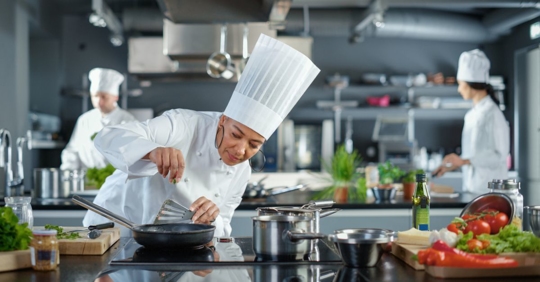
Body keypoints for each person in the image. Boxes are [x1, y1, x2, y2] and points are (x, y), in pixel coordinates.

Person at [82, 34, 320, 237]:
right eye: (236, 135)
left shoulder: (241, 170)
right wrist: (152, 151)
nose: (240, 150)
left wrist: (211, 220)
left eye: (254, 145)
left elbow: (223, 225)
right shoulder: (183, 124)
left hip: (167, 245)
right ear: (224, 120)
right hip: (114, 228)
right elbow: (108, 137)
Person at [432, 49, 509, 193]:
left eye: (461, 84)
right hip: (473, 189)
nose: (459, 89)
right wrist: (454, 165)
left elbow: (499, 155)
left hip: (491, 192)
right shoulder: (471, 115)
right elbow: (475, 155)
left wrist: (464, 161)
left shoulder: (493, 114)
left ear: (473, 85)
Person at [60, 68, 137, 170]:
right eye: (95, 96)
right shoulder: (84, 120)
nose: (99, 102)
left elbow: (133, 155)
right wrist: (68, 175)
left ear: (115, 97)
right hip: (87, 181)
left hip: (116, 182)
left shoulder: (128, 121)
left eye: (104, 97)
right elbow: (72, 151)